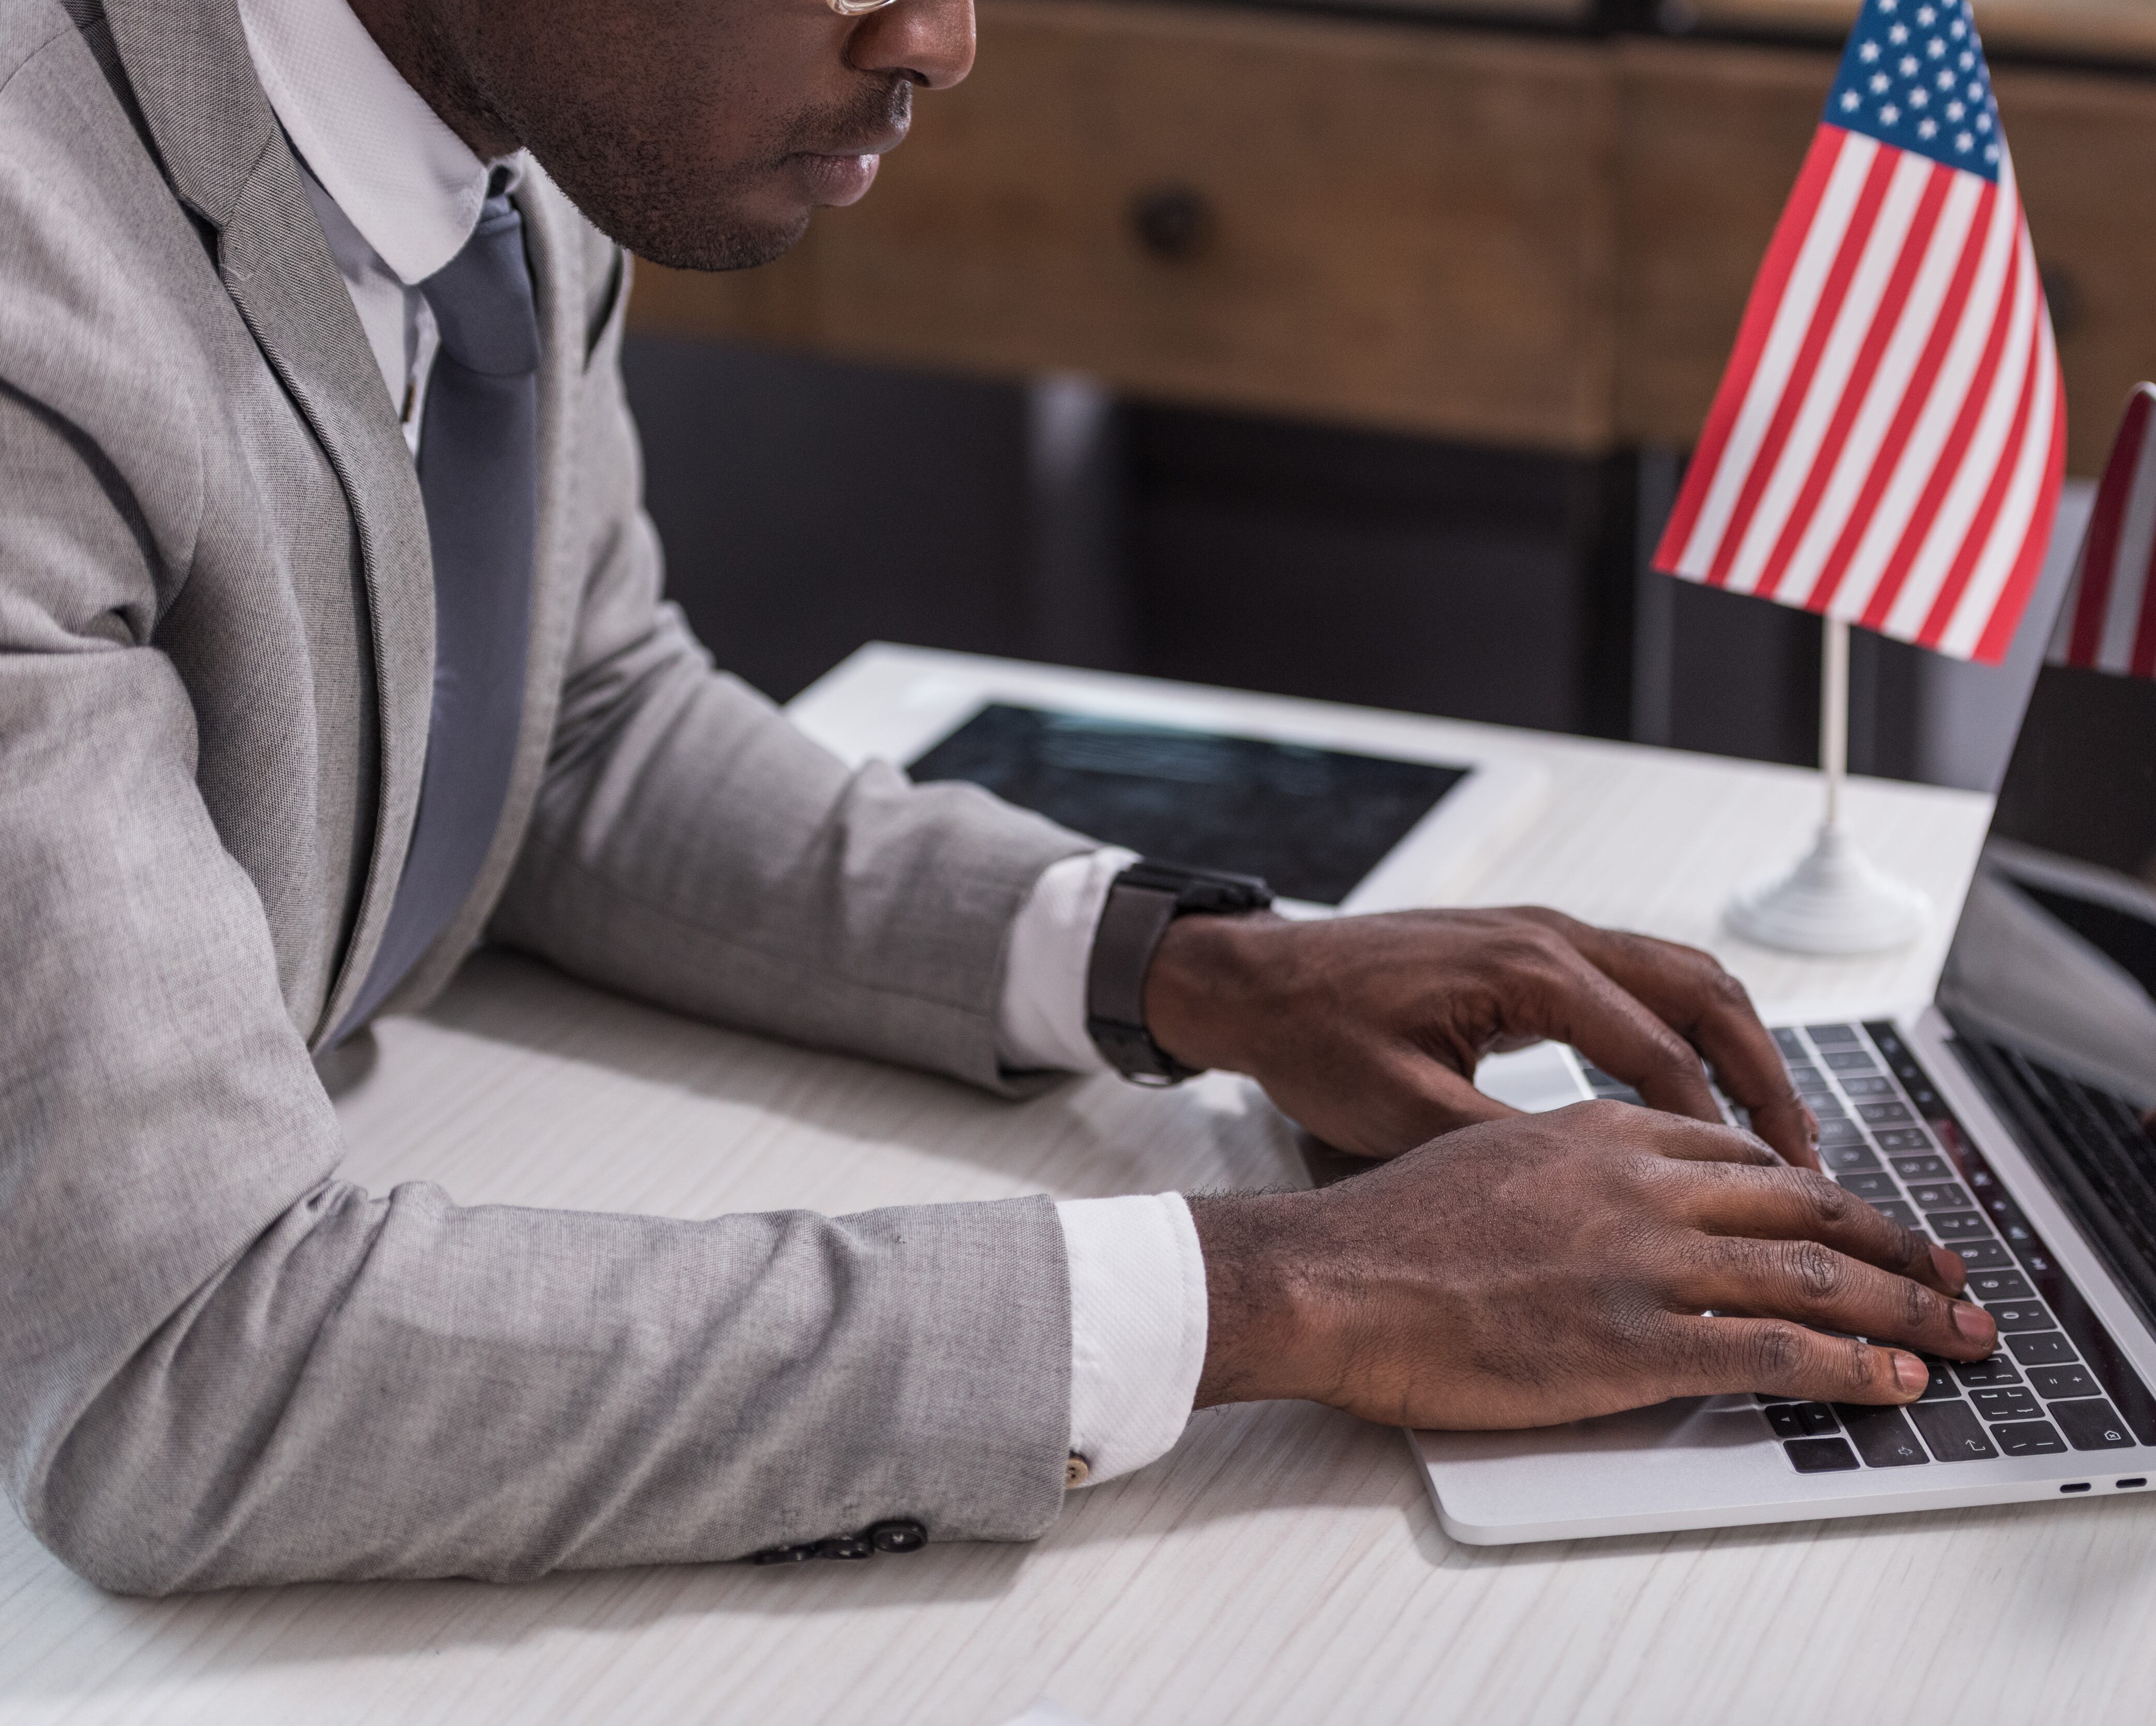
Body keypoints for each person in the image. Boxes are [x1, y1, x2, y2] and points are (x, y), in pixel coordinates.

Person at [0, 0, 1998, 1594]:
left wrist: (1195, 972)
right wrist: (1289, 1291)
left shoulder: (503, 116)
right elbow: (189, 1372)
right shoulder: (38, 281)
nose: (943, 35)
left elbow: (573, 724)